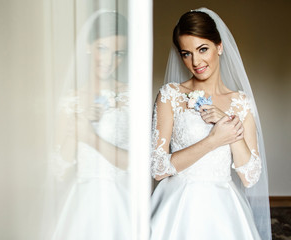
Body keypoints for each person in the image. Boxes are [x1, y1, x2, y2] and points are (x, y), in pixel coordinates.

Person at [150, 8, 271, 240]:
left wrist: (227, 124)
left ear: (220, 47)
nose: (196, 62)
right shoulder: (170, 95)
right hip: (177, 206)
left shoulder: (241, 102)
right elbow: (158, 169)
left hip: (223, 208)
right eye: (186, 53)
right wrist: (213, 140)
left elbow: (250, 176)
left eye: (202, 49)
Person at [49, 10, 130, 240]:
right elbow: (59, 172)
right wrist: (78, 130)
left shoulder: (131, 97)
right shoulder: (71, 101)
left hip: (123, 202)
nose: (109, 61)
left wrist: (90, 138)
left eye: (118, 53)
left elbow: (139, 165)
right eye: (102, 49)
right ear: (88, 46)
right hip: (83, 204)